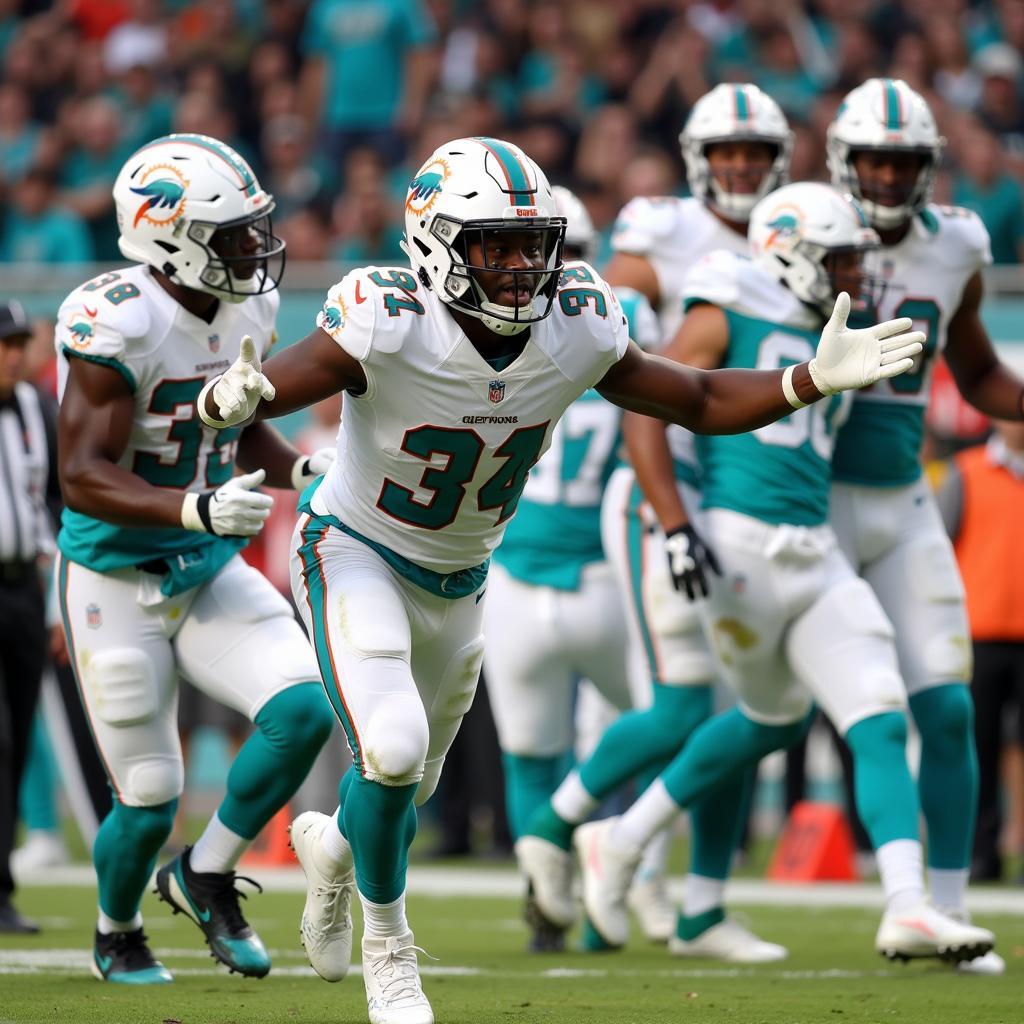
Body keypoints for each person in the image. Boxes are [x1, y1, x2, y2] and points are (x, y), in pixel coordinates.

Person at [198, 136, 923, 1024]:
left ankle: (336, 851)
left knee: (404, 787)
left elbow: (691, 399)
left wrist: (805, 379)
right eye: (494, 246)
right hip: (354, 549)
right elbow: (269, 389)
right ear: (435, 244)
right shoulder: (386, 314)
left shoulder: (575, 319)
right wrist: (238, 399)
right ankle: (391, 955)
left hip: (462, 576)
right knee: (386, 752)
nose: (519, 267)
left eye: (531, 244)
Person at [567, 181, 996, 967]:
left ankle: (908, 905)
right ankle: (619, 840)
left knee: (872, 709)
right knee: (767, 719)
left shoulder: (845, 321)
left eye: (855, 261)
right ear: (788, 254)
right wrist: (675, 525)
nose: (855, 277)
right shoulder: (723, 299)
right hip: (737, 545)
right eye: (837, 260)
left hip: (814, 543)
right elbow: (659, 402)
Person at [53, 132, 337, 984]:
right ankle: (115, 928)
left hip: (205, 562)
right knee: (146, 799)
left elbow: (236, 424)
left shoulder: (245, 308)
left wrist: (301, 470)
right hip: (116, 575)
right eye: (233, 234)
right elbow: (80, 476)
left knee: (306, 709)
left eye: (255, 228)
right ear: (168, 236)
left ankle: (206, 870)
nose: (254, 249)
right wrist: (194, 505)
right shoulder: (118, 319)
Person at [522, 83, 795, 962]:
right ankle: (609, 854)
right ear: (698, 160)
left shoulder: (801, 223)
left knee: (733, 704)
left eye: (756, 152)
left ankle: (678, 894)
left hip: (753, 483)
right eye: (729, 152)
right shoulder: (660, 237)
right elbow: (603, 311)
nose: (744, 168)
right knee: (698, 702)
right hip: (676, 479)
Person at [827, 77, 1024, 975]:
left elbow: (977, 368)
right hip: (811, 505)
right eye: (873, 158)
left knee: (945, 709)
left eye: (903, 161)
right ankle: (627, 848)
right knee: (757, 715)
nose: (888, 174)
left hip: (903, 500)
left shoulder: (958, 247)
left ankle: (944, 909)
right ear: (842, 161)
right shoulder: (803, 230)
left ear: (927, 168)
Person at [482, 185, 657, 952]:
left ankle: (545, 899)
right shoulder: (614, 328)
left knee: (533, 755)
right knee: (649, 731)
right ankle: (621, 886)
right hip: (604, 579)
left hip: (515, 582)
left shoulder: (477, 336)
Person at [936, 420, 1024, 885]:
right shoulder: (966, 472)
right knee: (980, 748)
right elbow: (936, 546)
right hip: (980, 633)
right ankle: (982, 856)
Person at [0, 299, 54, 934]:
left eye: (19, 343)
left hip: (22, 592)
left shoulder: (37, 411)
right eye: (4, 344)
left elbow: (63, 507)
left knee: (15, 738)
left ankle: (1, 889)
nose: (15, 354)